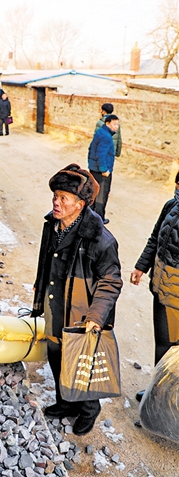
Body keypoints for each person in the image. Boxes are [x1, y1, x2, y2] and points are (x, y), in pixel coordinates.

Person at [31, 164, 122, 436]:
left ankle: (88, 409)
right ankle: (66, 402)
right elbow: (44, 265)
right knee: (56, 358)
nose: (56, 202)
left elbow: (111, 282)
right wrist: (38, 299)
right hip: (55, 306)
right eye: (55, 196)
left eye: (63, 198)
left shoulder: (101, 240)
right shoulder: (52, 225)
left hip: (81, 316)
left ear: (80, 204)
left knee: (82, 366)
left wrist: (95, 317)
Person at [130, 171, 179, 401]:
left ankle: (168, 400)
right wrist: (141, 266)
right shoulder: (171, 205)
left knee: (174, 350)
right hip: (161, 290)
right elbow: (154, 239)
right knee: (162, 346)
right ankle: (156, 393)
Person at [88, 114, 120, 224]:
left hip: (94, 169)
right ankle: (99, 220)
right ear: (107, 123)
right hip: (101, 172)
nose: (116, 127)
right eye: (114, 124)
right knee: (101, 197)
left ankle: (91, 218)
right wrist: (104, 170)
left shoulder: (100, 132)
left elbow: (91, 149)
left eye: (117, 125)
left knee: (94, 194)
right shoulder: (106, 137)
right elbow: (100, 155)